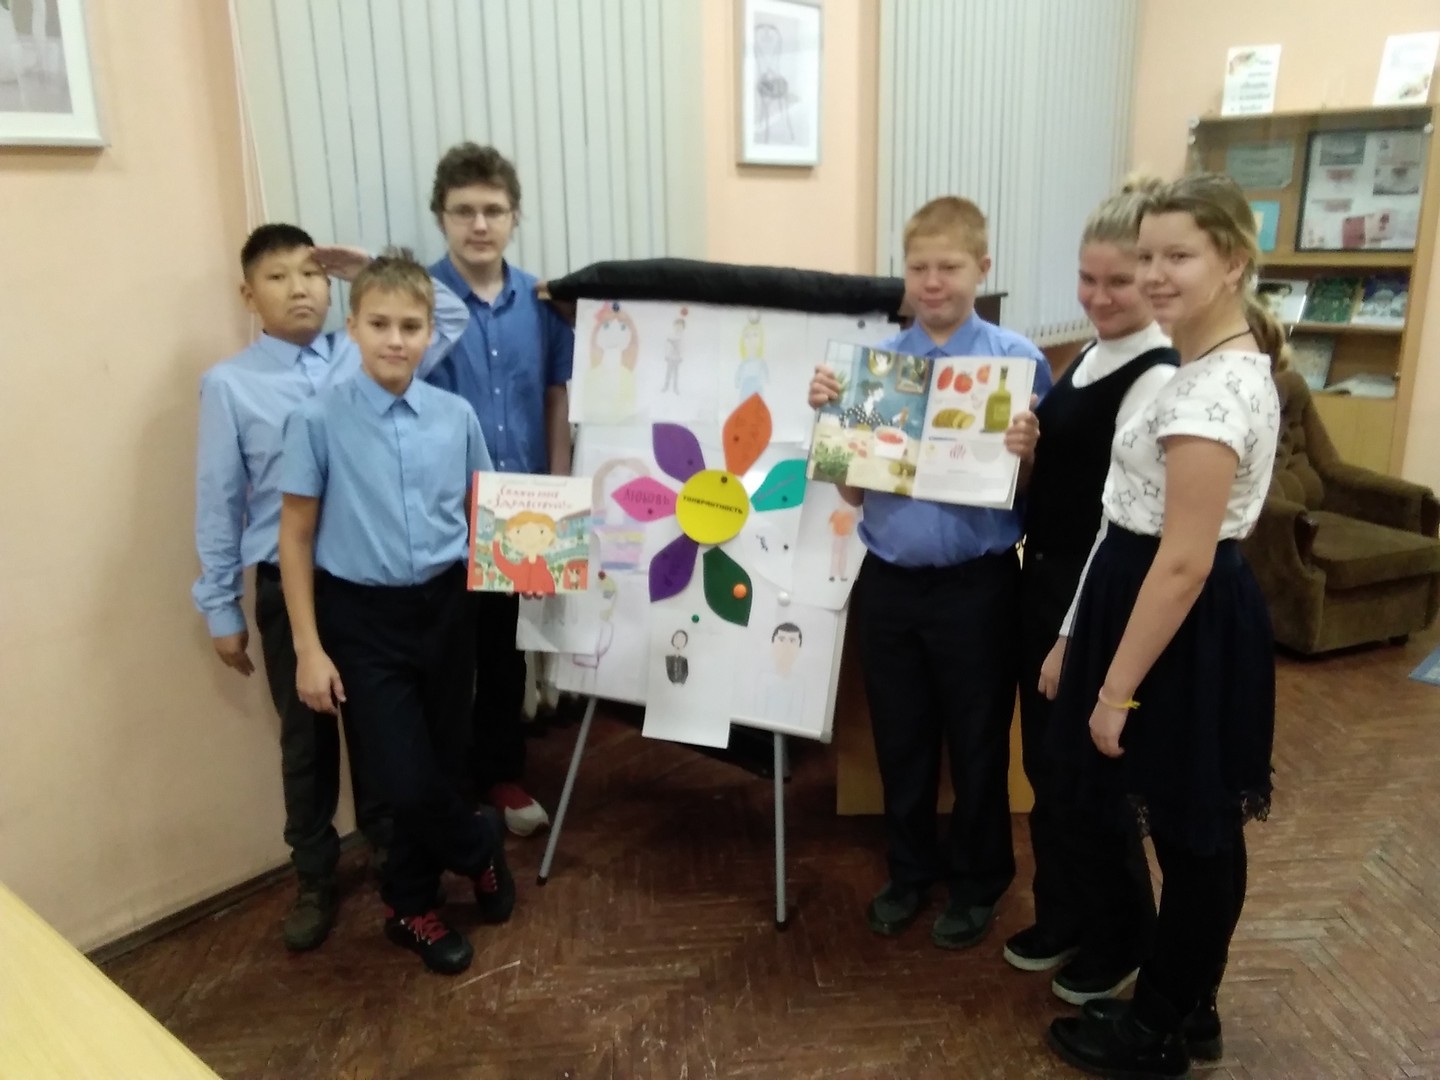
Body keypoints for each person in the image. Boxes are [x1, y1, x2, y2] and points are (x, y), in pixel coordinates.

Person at [1043, 173, 1283, 1079]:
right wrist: (1078, 635)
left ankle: (1157, 1028)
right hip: (1152, 609)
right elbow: (1129, 520)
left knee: (1193, 837)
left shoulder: (1209, 394)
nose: (1153, 274)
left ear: (1233, 262)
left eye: (1177, 255)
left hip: (1176, 626)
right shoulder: (1207, 367)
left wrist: (1115, 692)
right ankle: (1189, 1004)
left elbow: (1180, 562)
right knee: (1193, 831)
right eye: (1146, 254)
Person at [192, 224, 468, 952]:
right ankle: (315, 875)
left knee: (385, 739)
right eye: (277, 277)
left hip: (369, 583)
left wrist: (369, 267)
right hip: (290, 580)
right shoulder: (231, 384)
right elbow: (219, 498)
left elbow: (447, 315)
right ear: (248, 294)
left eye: (311, 273)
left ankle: (394, 853)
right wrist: (219, 604)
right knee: (308, 740)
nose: (299, 289)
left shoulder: (363, 350)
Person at [808, 196, 1052, 949]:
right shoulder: (878, 369)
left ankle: (979, 882)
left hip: (978, 585)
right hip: (888, 583)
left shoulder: (1018, 362)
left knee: (979, 743)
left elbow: (1044, 492)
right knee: (901, 737)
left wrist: (1031, 454)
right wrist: (832, 427)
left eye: (949, 266)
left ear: (982, 268)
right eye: (919, 267)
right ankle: (909, 871)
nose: (933, 281)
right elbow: (854, 493)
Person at [277, 253, 516, 976]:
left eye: (411, 326)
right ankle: (479, 847)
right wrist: (308, 648)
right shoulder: (317, 420)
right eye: (379, 323)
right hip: (361, 619)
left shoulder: (454, 415)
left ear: (429, 333)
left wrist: (525, 565)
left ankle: (410, 906)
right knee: (402, 779)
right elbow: (295, 537)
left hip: (447, 607)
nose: (395, 339)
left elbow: (488, 510)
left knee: (444, 762)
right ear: (352, 327)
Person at [1006, 182, 1179, 1003]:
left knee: (1093, 781)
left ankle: (1121, 937)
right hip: (1044, 584)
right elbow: (1064, 477)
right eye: (1087, 279)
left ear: (1151, 278)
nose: (1099, 297)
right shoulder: (1086, 356)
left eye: (1118, 282)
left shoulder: (1156, 375)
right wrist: (1030, 449)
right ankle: (1064, 915)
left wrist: (1069, 637)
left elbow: (1120, 522)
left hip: (1094, 601)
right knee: (1048, 770)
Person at [425, 142, 574, 838]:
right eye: (464, 211)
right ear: (441, 217)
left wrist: (561, 489)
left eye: (493, 210)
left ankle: (504, 777)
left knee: (505, 653)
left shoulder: (540, 303)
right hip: (444, 513)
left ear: (514, 217)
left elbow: (554, 396)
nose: (479, 224)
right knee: (447, 660)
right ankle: (448, 792)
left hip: (524, 510)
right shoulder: (419, 302)